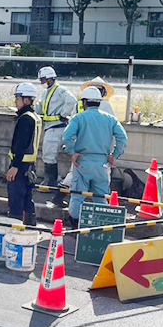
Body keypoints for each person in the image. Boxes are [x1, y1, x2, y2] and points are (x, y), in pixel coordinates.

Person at [61, 87, 128, 230]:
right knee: (100, 198)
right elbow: (123, 138)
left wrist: (72, 152)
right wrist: (114, 155)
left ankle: (75, 227)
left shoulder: (78, 118)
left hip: (82, 162)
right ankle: (99, 229)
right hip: (103, 164)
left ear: (84, 102)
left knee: (78, 196)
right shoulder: (110, 119)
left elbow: (67, 137)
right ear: (99, 102)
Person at [34, 66, 76, 207]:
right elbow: (40, 107)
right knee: (48, 154)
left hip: (57, 127)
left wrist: (63, 114)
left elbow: (72, 100)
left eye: (44, 80)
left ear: (50, 78)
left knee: (49, 154)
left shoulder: (60, 91)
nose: (42, 82)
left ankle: (50, 182)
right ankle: (51, 180)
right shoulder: (48, 92)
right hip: (50, 127)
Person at [6, 82, 41, 226]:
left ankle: (15, 229)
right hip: (29, 167)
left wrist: (15, 165)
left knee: (16, 199)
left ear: (26, 100)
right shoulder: (35, 117)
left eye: (18, 98)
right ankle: (30, 228)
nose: (16, 101)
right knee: (27, 199)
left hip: (20, 167)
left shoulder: (25, 118)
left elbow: (21, 144)